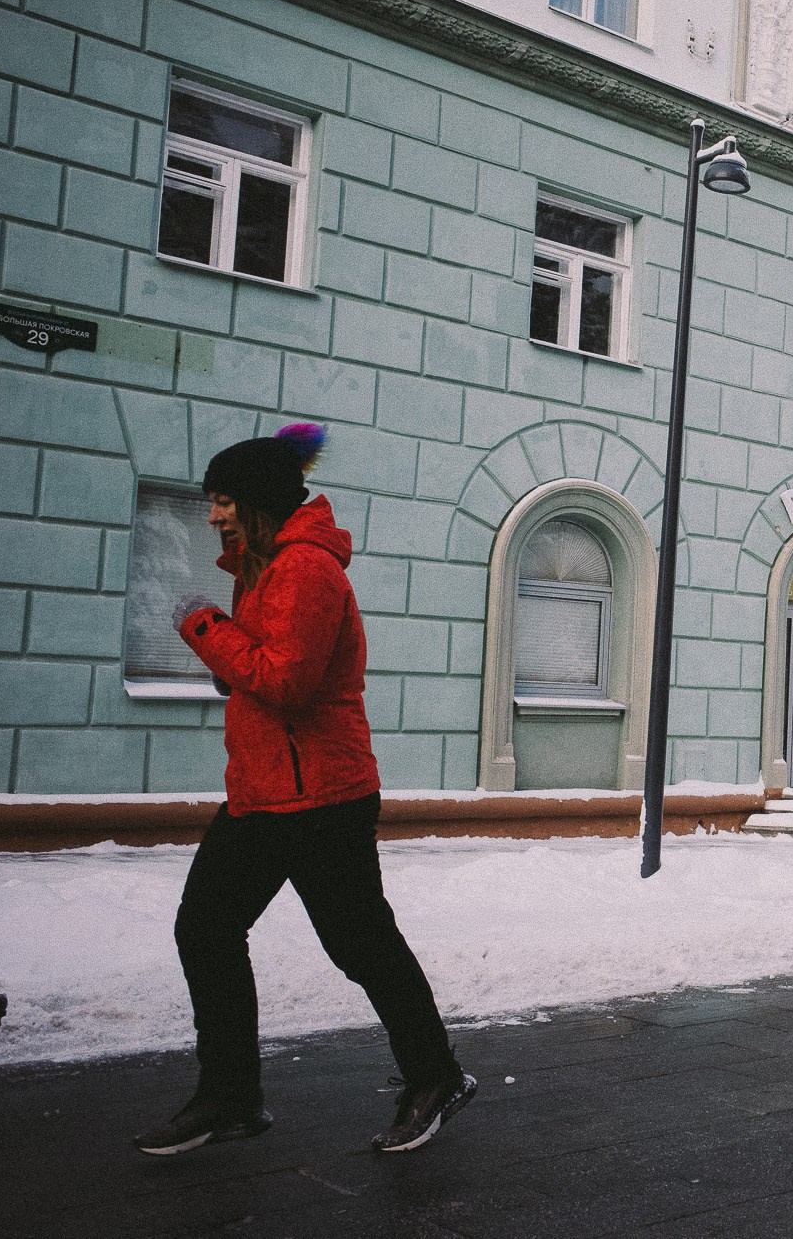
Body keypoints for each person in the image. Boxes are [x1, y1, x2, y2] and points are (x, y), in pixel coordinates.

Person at [136, 426, 474, 1157]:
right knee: (206, 926)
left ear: (255, 502)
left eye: (223, 501)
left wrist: (203, 626)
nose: (212, 515)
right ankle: (231, 1096)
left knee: (362, 946)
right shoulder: (260, 568)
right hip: (263, 794)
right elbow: (251, 669)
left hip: (322, 799)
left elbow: (286, 680)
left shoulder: (306, 571)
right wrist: (223, 636)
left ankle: (435, 1077)